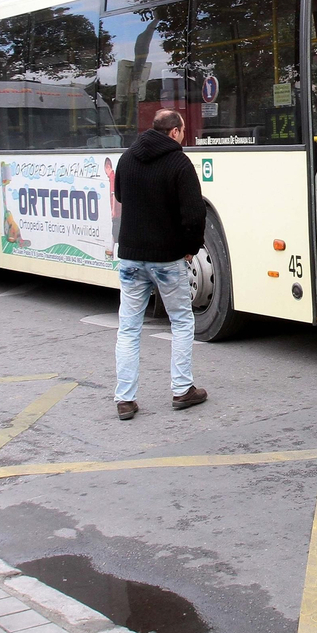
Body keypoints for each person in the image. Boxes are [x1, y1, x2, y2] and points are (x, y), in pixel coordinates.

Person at [112, 108, 207, 419]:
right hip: (167, 259)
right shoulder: (179, 162)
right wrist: (191, 249)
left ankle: (125, 399)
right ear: (175, 132)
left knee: (128, 327)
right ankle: (182, 390)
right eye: (182, 130)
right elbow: (194, 215)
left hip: (130, 257)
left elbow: (122, 196)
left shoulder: (127, 158)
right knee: (180, 320)